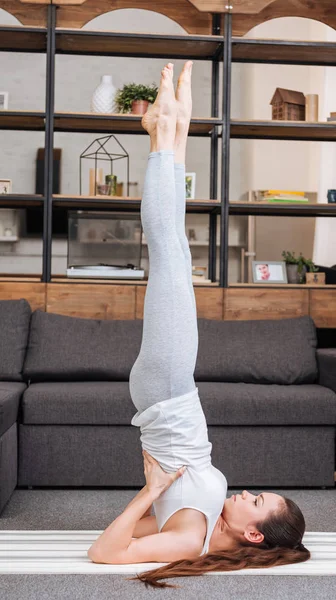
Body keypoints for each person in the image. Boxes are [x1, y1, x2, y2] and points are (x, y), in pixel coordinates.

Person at [87, 62, 310, 588]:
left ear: (254, 534)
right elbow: (137, 532)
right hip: (169, 392)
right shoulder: (202, 528)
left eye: (255, 501)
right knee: (173, 257)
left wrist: (151, 489)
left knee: (170, 255)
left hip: (168, 391)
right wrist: (156, 492)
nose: (248, 492)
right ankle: (172, 133)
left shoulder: (189, 540)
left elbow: (104, 550)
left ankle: (167, 133)